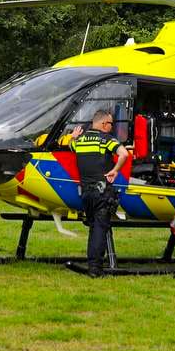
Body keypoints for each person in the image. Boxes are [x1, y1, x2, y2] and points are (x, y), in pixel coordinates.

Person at [69, 111, 129, 277]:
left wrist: (73, 136)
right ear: (104, 124)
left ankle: (92, 264)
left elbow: (71, 146)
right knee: (100, 229)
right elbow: (124, 154)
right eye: (111, 124)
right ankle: (95, 269)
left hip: (86, 194)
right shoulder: (106, 140)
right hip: (102, 192)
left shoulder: (80, 141)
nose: (112, 127)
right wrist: (115, 170)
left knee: (93, 228)